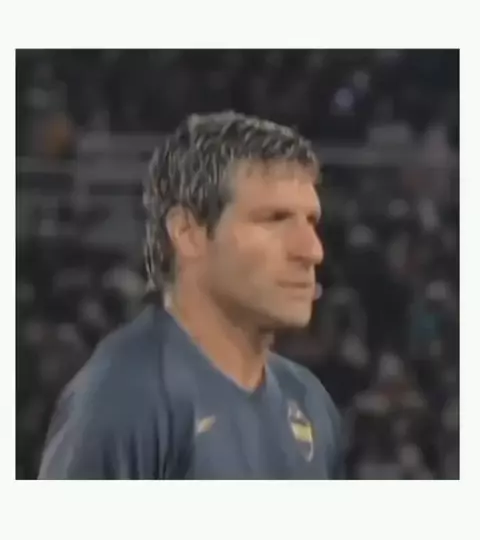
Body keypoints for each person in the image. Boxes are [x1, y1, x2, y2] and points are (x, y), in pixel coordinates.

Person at [38, 111, 344, 479]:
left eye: (311, 221)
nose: (312, 251)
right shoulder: (123, 400)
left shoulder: (310, 402)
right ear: (188, 233)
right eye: (275, 219)